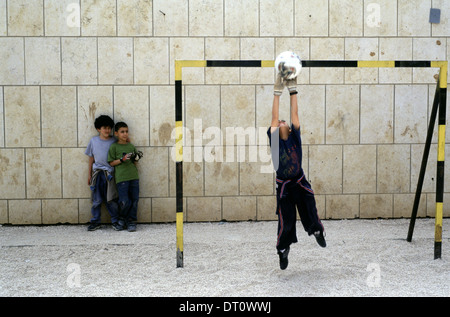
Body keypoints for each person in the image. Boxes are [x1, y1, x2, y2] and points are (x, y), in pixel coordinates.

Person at [268, 73, 326, 270]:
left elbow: (295, 114)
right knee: (287, 220)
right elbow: (274, 118)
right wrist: (277, 92)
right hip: (284, 187)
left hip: (299, 182)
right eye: (280, 123)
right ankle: (283, 250)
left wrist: (293, 91)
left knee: (309, 206)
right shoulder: (275, 143)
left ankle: (317, 231)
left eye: (285, 123)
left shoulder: (295, 138)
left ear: (290, 130)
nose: (282, 122)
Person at [85, 115, 120, 231]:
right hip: (97, 174)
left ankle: (115, 221)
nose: (107, 130)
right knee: (97, 200)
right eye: (104, 127)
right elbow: (91, 158)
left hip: (109, 174)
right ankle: (95, 221)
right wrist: (89, 174)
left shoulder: (114, 141)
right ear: (98, 129)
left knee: (111, 199)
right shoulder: (93, 141)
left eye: (109, 128)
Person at [108, 122, 140, 232]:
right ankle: (121, 219)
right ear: (116, 133)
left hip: (133, 176)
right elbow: (111, 163)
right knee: (124, 201)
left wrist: (137, 157)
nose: (125, 134)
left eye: (126, 131)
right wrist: (122, 159)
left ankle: (131, 221)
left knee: (134, 200)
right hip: (121, 178)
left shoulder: (131, 146)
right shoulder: (114, 147)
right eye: (122, 132)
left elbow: (135, 161)